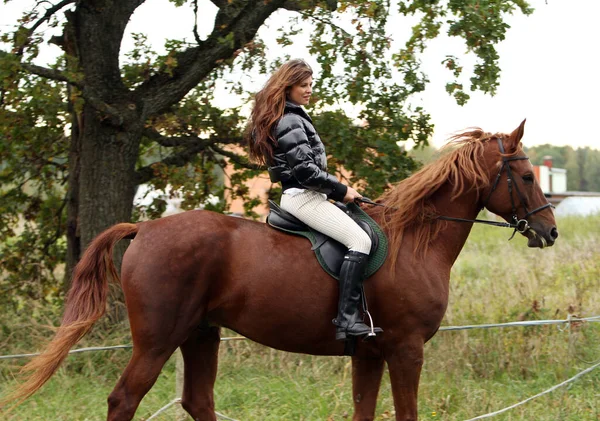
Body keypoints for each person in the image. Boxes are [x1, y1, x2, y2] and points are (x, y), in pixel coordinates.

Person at [247, 59, 382, 341]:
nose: (309, 90)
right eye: (303, 85)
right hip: (304, 198)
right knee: (361, 241)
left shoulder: (292, 116)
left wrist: (339, 192)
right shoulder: (290, 119)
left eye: (311, 85)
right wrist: (341, 190)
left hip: (310, 196)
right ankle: (346, 320)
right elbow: (305, 171)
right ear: (288, 88)